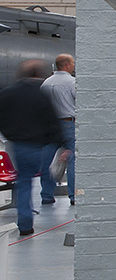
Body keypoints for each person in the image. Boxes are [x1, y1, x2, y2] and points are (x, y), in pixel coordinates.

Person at [0, 60, 66, 237]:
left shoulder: (7, 93)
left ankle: (25, 224)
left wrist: (11, 134)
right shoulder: (41, 96)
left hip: (17, 145)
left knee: (23, 182)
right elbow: (52, 122)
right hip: (38, 146)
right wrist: (62, 144)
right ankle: (45, 197)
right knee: (40, 174)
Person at [41, 54, 76, 206]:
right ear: (67, 65)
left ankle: (47, 195)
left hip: (50, 126)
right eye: (73, 62)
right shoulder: (72, 82)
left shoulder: (45, 84)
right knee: (73, 159)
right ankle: (73, 195)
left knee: (47, 161)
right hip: (69, 123)